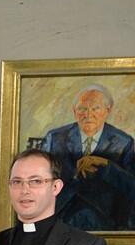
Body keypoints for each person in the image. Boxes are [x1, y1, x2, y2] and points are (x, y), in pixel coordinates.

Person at [42, 84, 135, 230]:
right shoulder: (55, 138)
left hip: (106, 220)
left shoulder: (124, 142)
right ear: (74, 111)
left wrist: (105, 165)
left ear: (107, 110)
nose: (88, 114)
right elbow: (41, 180)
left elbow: (131, 187)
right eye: (82, 109)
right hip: (62, 218)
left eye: (96, 108)